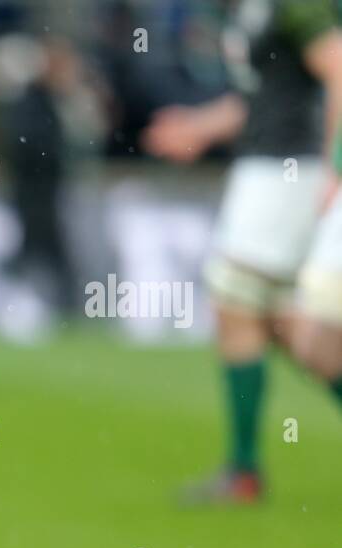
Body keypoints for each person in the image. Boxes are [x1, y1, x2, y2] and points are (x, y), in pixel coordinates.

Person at [142, 0, 342, 503]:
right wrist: (200, 126)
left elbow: (338, 66)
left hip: (289, 169)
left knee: (237, 300)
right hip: (269, 166)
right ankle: (243, 471)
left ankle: (243, 471)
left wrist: (335, 165)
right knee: (289, 324)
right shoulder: (245, 9)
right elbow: (264, 94)